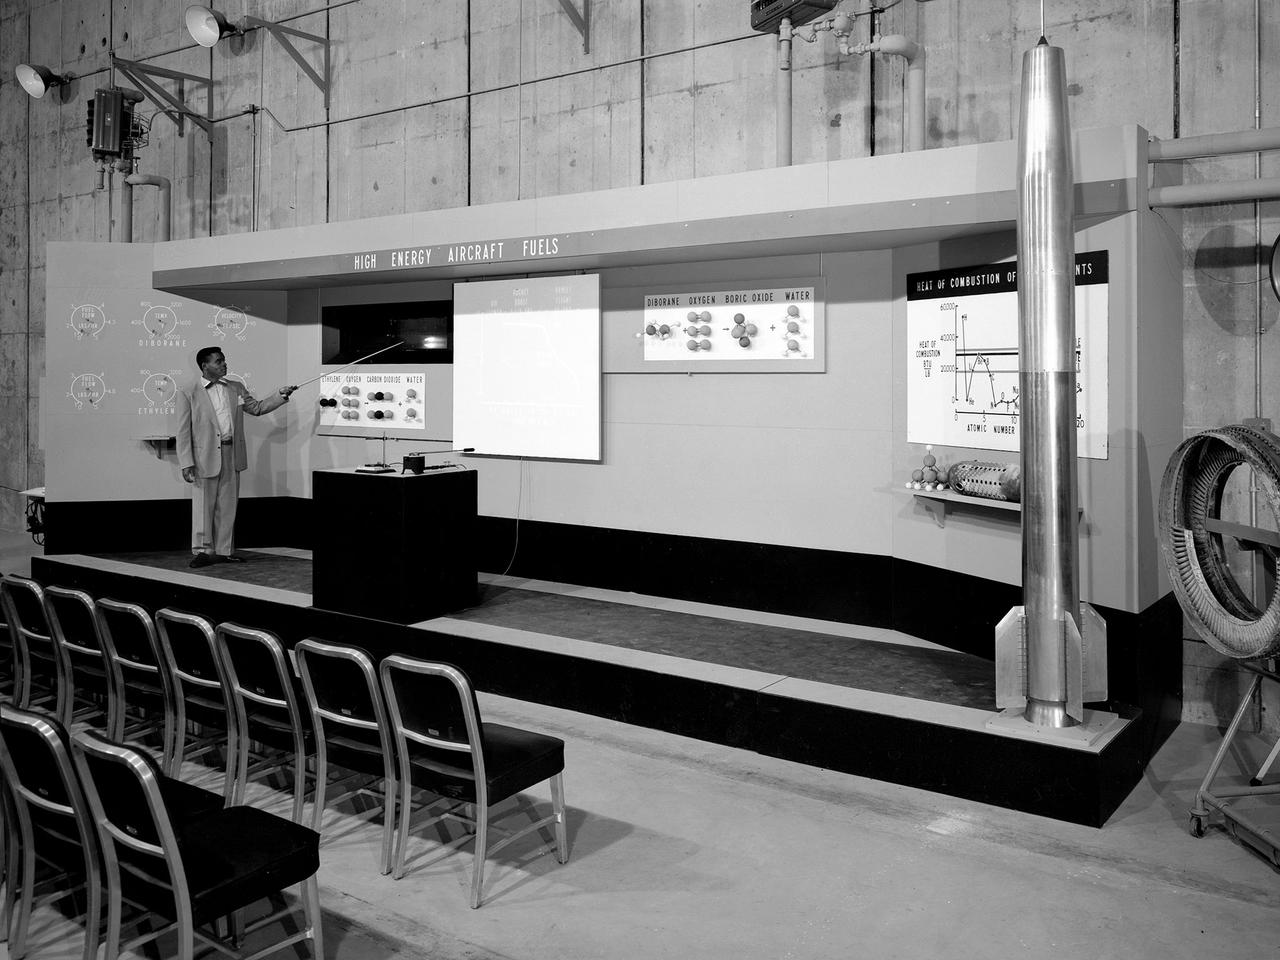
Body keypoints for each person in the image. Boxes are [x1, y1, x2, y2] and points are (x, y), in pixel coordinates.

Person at [176, 347, 297, 568]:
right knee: (203, 507)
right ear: (204, 366)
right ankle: (203, 551)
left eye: (224, 360)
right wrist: (186, 462)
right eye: (218, 361)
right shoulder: (188, 391)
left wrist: (280, 395)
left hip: (232, 453)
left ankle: (224, 551)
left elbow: (257, 408)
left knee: (228, 505)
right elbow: (183, 430)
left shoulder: (236, 387)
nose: (224, 364)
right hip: (204, 456)